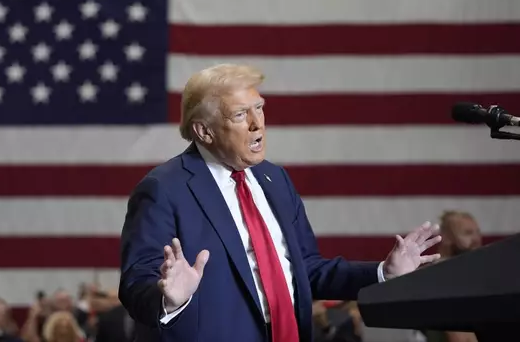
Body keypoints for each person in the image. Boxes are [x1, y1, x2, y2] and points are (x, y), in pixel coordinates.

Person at [118, 64, 442, 342]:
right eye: (240, 114)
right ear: (204, 131)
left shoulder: (274, 179)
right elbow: (136, 283)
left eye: (259, 107)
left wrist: (383, 272)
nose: (257, 123)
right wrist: (168, 298)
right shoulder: (163, 189)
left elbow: (307, 269)